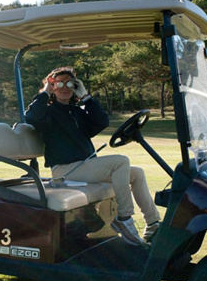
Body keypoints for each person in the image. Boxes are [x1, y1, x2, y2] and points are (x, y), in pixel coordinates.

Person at [24, 67, 161, 245]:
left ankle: (152, 223)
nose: (64, 87)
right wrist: (45, 92)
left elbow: (101, 122)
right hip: (65, 170)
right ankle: (124, 218)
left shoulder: (76, 112)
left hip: (83, 167)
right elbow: (31, 116)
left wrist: (85, 98)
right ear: (52, 86)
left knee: (136, 173)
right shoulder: (48, 112)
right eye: (58, 83)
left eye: (69, 83)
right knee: (121, 161)